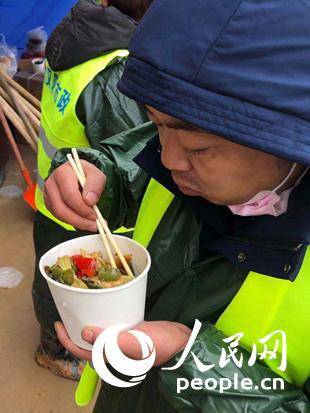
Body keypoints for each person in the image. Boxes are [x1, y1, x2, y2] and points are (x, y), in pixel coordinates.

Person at [44, 0, 310, 410]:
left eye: (199, 147)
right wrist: (94, 172)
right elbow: (134, 158)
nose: (168, 159)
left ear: (291, 143)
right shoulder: (176, 157)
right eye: (157, 122)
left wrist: (189, 357)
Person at [33, 0, 153, 380]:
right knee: (70, 286)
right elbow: (130, 157)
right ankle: (53, 351)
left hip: (52, 191)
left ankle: (49, 343)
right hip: (82, 205)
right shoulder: (114, 69)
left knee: (52, 278)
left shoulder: (74, 33)